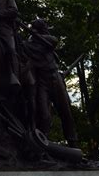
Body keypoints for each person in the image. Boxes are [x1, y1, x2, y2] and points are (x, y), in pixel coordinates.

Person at [23, 18, 79, 147]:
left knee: (65, 112)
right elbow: (23, 48)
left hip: (55, 79)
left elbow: (54, 41)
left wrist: (37, 36)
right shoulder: (29, 45)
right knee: (44, 115)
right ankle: (43, 144)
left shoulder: (47, 41)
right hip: (42, 82)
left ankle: (73, 143)